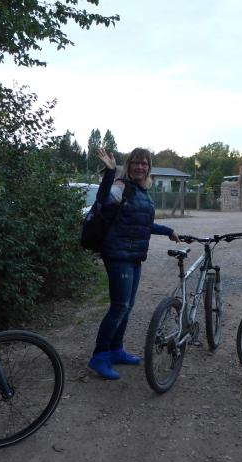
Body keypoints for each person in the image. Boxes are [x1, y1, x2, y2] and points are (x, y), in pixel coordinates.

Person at [88, 147, 180, 380]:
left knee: (127, 306)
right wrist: (110, 173)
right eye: (136, 163)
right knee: (119, 306)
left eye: (144, 163)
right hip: (118, 255)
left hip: (134, 256)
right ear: (129, 165)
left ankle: (116, 350)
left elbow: (142, 223)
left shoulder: (142, 191)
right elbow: (103, 199)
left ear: (149, 167)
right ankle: (99, 356)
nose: (140, 167)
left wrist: (168, 231)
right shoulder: (121, 186)